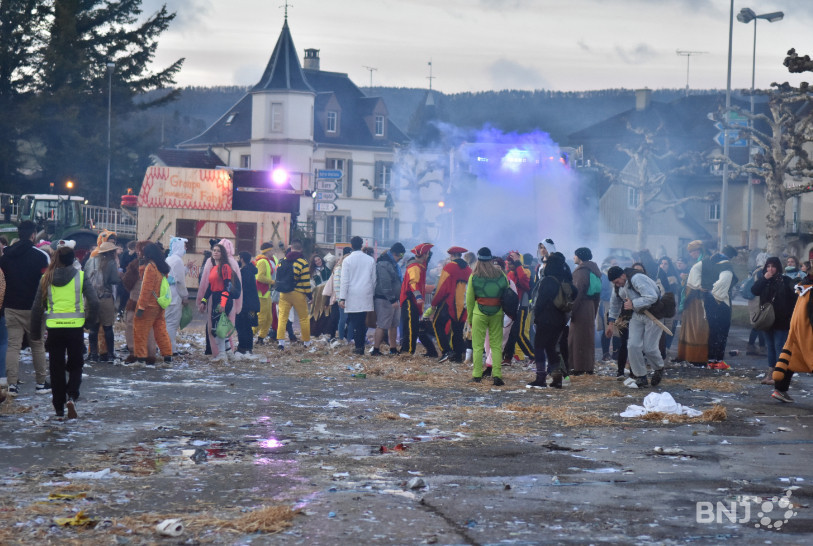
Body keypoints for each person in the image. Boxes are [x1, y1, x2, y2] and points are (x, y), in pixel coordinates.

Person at [29, 246, 99, 419]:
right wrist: (89, 322)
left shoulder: (46, 278)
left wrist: (35, 333)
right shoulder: (80, 276)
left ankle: (59, 406)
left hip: (54, 329)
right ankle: (72, 395)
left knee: (56, 367)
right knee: (76, 364)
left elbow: (37, 307)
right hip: (75, 328)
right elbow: (94, 302)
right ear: (73, 259)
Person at [0, 220, 50, 396]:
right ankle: (41, 383)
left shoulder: (5, 257)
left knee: (13, 346)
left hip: (11, 307)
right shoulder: (41, 256)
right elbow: (46, 283)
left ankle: (12, 385)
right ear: (33, 235)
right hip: (34, 308)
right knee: (37, 345)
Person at [606, 265, 665, 388]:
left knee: (649, 348)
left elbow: (652, 296)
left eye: (617, 281)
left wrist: (633, 303)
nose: (617, 284)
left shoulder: (637, 278)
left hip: (653, 314)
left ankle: (659, 368)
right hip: (637, 315)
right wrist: (610, 323)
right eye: (614, 283)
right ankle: (641, 376)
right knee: (632, 345)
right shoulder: (618, 286)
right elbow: (615, 304)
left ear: (623, 275)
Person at [528, 253, 572, 389]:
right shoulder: (564, 279)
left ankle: (540, 378)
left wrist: (536, 316)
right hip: (560, 319)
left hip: (545, 319)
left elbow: (540, 301)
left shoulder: (548, 281)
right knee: (551, 348)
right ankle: (557, 378)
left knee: (539, 347)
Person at [751, 257, 797, 386]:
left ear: (778, 268)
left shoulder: (785, 280)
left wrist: (789, 315)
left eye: (773, 266)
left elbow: (794, 297)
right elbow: (754, 291)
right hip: (767, 320)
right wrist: (764, 279)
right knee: (770, 347)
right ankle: (770, 373)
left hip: (782, 320)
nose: (770, 269)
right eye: (768, 266)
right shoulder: (765, 280)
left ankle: (780, 375)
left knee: (779, 347)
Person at [466, 247, 508, 386]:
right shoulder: (501, 275)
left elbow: (469, 300)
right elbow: (507, 294)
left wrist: (470, 318)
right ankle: (497, 376)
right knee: (496, 346)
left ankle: (477, 375)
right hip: (497, 312)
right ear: (491, 259)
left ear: (478, 260)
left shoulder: (474, 276)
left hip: (479, 313)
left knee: (478, 346)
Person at [770, 267, 813, 403]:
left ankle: (780, 389)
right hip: (808, 330)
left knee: (791, 358)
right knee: (808, 357)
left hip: (798, 329)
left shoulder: (805, 284)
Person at [198, 242, 242, 361]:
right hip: (216, 298)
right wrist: (203, 301)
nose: (215, 252)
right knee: (220, 327)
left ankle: (222, 355)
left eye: (218, 251)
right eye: (214, 250)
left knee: (217, 329)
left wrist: (223, 303)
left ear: (222, 254)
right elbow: (210, 287)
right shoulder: (213, 268)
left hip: (224, 299)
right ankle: (229, 354)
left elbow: (227, 286)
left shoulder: (225, 267)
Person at [133, 243, 173, 366]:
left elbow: (146, 289)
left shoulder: (151, 267)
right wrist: (142, 267)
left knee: (140, 331)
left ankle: (140, 359)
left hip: (148, 306)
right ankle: (167, 357)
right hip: (159, 304)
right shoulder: (161, 267)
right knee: (161, 331)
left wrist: (141, 307)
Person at [431, 246, 472, 363]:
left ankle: (446, 351)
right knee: (457, 329)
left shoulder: (449, 267)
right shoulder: (469, 269)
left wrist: (434, 302)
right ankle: (457, 356)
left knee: (437, 324)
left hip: (448, 302)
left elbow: (442, 287)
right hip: (463, 304)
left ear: (452, 255)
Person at [339, 236, 376, 355]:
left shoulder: (347, 260)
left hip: (352, 294)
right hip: (366, 293)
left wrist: (342, 298)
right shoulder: (370, 260)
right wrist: (372, 293)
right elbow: (374, 280)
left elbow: (344, 281)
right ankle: (360, 345)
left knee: (354, 322)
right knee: (362, 323)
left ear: (351, 245)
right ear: (361, 245)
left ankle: (358, 346)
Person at [400, 243, 438, 357]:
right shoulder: (415, 267)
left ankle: (407, 349)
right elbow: (413, 283)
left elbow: (425, 261)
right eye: (427, 254)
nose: (428, 256)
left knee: (411, 325)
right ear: (424, 255)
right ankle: (408, 351)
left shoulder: (419, 265)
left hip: (411, 300)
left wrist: (427, 250)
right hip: (410, 299)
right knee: (411, 326)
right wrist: (418, 297)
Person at [85, 241, 121, 362]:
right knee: (107, 327)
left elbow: (85, 277)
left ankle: (93, 354)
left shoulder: (90, 261)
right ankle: (110, 355)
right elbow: (114, 280)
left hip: (91, 299)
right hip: (105, 298)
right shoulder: (111, 263)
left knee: (93, 328)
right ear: (111, 252)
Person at [704, 247, 738, 370]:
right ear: (730, 257)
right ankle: (718, 361)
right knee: (722, 333)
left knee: (713, 332)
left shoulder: (710, 264)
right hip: (722, 303)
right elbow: (724, 282)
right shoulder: (726, 265)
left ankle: (711, 361)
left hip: (709, 302)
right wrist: (716, 294)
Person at [569, 247, 601, 375]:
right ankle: (588, 366)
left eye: (575, 255)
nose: (574, 257)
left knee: (577, 338)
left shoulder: (581, 271)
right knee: (587, 337)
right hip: (590, 306)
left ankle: (578, 367)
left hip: (581, 307)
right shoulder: (594, 270)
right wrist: (594, 309)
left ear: (580, 257)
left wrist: (571, 310)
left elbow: (578, 292)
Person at [677, 240, 709, 366]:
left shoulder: (703, 262)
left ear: (698, 251)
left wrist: (692, 284)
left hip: (698, 301)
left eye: (692, 252)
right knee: (690, 327)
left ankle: (696, 357)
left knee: (697, 327)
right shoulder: (699, 262)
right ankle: (686, 354)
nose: (690, 254)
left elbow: (704, 281)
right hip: (692, 301)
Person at [275, 239, 311, 350]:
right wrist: (310, 296)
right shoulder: (303, 262)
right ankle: (306, 342)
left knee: (282, 318)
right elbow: (305, 282)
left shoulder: (282, 261)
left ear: (291, 248)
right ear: (301, 249)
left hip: (284, 293)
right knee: (303, 318)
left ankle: (281, 343)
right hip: (298, 294)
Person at [373, 242, 405, 356]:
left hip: (394, 299)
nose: (400, 259)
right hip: (384, 299)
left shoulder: (393, 263)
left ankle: (393, 348)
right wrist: (392, 299)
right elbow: (385, 283)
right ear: (395, 253)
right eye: (400, 256)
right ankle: (376, 349)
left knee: (394, 324)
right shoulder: (383, 263)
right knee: (382, 325)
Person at [502, 252, 534, 364]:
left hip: (522, 306)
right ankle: (507, 358)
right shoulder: (510, 274)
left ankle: (533, 356)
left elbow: (525, 283)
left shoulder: (525, 271)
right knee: (511, 333)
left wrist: (518, 263)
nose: (509, 266)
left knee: (519, 334)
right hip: (512, 307)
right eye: (508, 263)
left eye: (511, 263)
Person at [164, 237, 189, 356]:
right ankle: (170, 349)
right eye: (184, 246)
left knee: (166, 322)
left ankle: (165, 347)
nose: (185, 248)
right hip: (174, 294)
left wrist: (186, 268)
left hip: (167, 293)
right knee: (172, 323)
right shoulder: (178, 260)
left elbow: (175, 275)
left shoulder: (169, 258)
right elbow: (180, 281)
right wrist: (185, 296)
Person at [656, 256, 681, 358]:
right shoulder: (656, 276)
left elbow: (673, 293)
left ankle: (667, 347)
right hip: (659, 305)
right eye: (661, 263)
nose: (663, 265)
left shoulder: (673, 278)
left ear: (669, 266)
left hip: (671, 304)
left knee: (670, 326)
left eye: (665, 264)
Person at [236, 251, 260, 355]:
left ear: (242, 259)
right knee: (248, 326)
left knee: (241, 325)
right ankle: (248, 347)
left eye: (238, 258)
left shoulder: (244, 272)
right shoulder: (250, 270)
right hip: (252, 304)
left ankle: (243, 347)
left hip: (245, 304)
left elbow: (243, 289)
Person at [254, 242, 277, 344]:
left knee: (268, 318)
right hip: (261, 293)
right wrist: (272, 282)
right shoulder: (263, 261)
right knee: (262, 318)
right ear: (268, 251)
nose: (274, 252)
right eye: (272, 250)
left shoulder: (267, 261)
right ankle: (249, 335)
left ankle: (261, 338)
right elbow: (260, 277)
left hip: (266, 293)